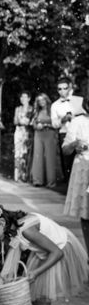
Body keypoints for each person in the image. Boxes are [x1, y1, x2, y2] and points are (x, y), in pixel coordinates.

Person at [62, 96, 89, 253]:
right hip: (83, 169)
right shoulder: (77, 122)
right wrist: (75, 144)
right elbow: (65, 149)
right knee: (86, 214)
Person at [51, 77, 85, 183]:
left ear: (69, 87)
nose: (62, 91)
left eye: (64, 88)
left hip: (80, 134)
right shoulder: (55, 105)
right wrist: (63, 120)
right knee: (67, 163)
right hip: (65, 133)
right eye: (59, 89)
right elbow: (54, 124)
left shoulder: (79, 101)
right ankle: (68, 188)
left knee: (82, 160)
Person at [31, 93, 59, 187]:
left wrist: (46, 125)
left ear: (46, 100)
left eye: (43, 100)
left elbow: (56, 124)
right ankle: (37, 180)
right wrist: (36, 126)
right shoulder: (36, 111)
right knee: (37, 156)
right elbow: (33, 123)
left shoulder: (52, 110)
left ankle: (51, 182)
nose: (41, 102)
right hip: (38, 134)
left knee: (50, 157)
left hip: (49, 134)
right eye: (39, 101)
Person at [13, 91, 34, 182]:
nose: (23, 99)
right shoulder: (18, 109)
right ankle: (16, 174)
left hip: (27, 132)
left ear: (29, 98)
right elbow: (14, 121)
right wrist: (19, 121)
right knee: (17, 152)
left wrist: (28, 122)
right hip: (19, 131)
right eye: (21, 97)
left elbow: (34, 121)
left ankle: (25, 174)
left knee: (26, 153)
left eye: (25, 97)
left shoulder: (32, 109)